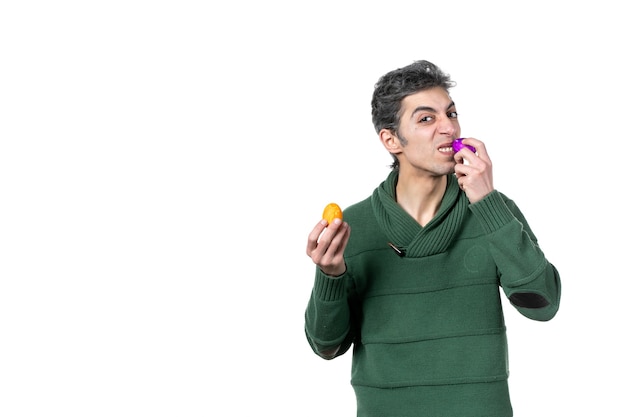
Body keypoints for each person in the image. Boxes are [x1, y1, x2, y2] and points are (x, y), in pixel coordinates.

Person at [304, 60, 561, 417]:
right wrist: (329, 275)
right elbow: (325, 346)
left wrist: (487, 203)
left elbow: (543, 305)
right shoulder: (354, 225)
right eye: (427, 119)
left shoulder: (494, 210)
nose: (449, 127)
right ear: (391, 140)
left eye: (451, 114)